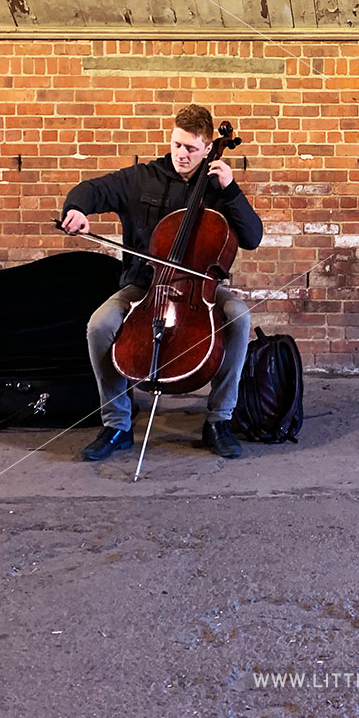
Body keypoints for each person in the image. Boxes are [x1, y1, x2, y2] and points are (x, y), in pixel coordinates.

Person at [59, 105, 263, 461]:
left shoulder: (217, 188)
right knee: (99, 326)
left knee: (239, 317)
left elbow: (252, 237)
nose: (182, 155)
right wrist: (75, 209)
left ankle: (219, 420)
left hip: (200, 291)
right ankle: (117, 423)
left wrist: (231, 191)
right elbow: (92, 190)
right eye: (177, 145)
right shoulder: (142, 178)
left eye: (191, 149)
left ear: (207, 148)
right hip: (143, 284)